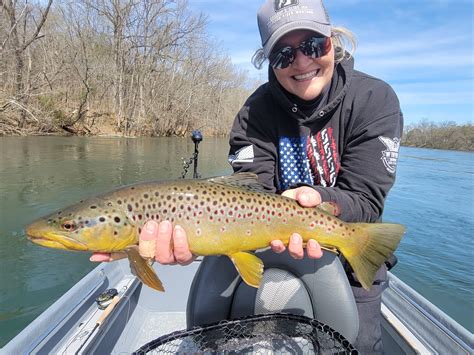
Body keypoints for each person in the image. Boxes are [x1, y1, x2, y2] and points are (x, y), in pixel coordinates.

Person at [92, 0, 403, 353]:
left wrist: (320, 202)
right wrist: (186, 241)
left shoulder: (375, 100)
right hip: (266, 242)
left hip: (348, 250)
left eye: (314, 45)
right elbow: (248, 190)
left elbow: (365, 200)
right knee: (216, 328)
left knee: (358, 345)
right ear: (268, 60)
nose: (301, 61)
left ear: (334, 41)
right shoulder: (253, 113)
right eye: (284, 54)